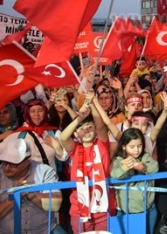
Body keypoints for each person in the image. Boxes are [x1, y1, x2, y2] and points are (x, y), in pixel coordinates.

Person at [60, 93, 118, 233]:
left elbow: (100, 125)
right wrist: (79, 117)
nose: (86, 131)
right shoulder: (75, 149)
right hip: (80, 210)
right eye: (81, 129)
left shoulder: (101, 145)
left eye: (89, 127)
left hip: (103, 210)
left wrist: (92, 103)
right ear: (75, 134)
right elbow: (63, 137)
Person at [0, 139, 64, 234]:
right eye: (4, 162)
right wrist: (14, 197)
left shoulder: (45, 172)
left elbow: (55, 205)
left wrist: (29, 192)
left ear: (28, 161)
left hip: (43, 231)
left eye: (13, 164)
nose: (7, 168)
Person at [0, 99, 61, 171]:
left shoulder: (53, 132)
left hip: (51, 182)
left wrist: (57, 147)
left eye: (40, 110)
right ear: (27, 114)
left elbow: (65, 157)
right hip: (28, 183)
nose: (36, 114)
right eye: (32, 111)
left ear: (45, 112)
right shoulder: (19, 133)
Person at [111, 128, 159, 233]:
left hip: (149, 210)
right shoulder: (118, 160)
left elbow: (155, 166)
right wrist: (124, 168)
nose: (136, 150)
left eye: (139, 146)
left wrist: (142, 167)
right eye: (132, 147)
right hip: (127, 212)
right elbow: (114, 174)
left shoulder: (145, 157)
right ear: (124, 147)